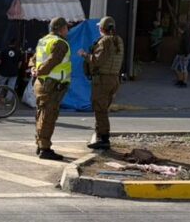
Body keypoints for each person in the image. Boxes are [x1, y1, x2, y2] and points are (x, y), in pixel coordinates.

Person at [78, 16, 124, 150]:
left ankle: (103, 138)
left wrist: (84, 55)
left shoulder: (105, 42)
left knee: (100, 109)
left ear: (101, 28)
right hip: (114, 79)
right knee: (103, 108)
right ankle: (101, 135)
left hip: (103, 80)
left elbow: (97, 61)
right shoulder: (118, 40)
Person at [29, 17, 71, 161]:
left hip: (41, 83)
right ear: (61, 29)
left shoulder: (43, 40)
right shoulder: (60, 43)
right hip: (52, 85)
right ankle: (45, 149)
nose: (68, 30)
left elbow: (33, 59)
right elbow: (53, 61)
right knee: (48, 116)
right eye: (66, 28)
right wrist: (39, 71)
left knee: (41, 114)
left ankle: (40, 144)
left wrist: (34, 69)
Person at [171, 24, 190, 88]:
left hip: (183, 54)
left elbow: (187, 46)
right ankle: (180, 80)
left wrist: (186, 54)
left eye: (179, 29)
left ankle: (184, 82)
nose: (178, 30)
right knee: (175, 67)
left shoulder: (186, 36)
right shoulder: (183, 36)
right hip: (180, 53)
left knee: (183, 68)